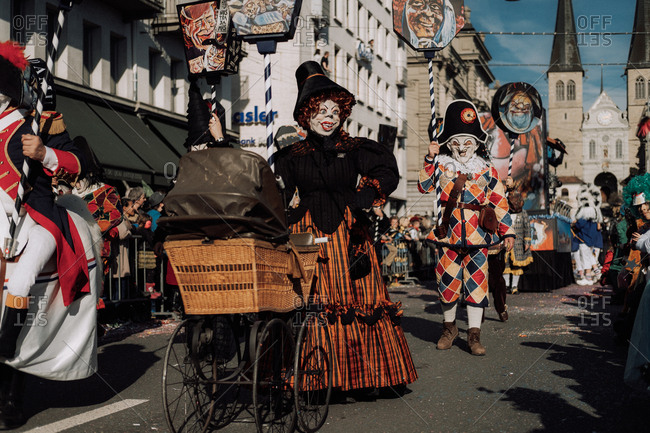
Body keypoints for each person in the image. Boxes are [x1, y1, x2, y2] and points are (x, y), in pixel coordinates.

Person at [274, 61, 417, 392]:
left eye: (334, 110)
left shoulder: (354, 149)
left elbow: (386, 171)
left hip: (349, 233)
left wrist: (364, 195)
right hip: (308, 234)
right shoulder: (292, 155)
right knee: (312, 303)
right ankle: (316, 377)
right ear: (306, 114)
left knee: (360, 301)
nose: (328, 116)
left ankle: (365, 378)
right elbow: (278, 191)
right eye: (320, 110)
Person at [0, 41, 96, 429]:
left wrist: (44, 154)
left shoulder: (38, 123)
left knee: (22, 277)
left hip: (35, 217)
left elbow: (77, 162)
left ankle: (7, 358)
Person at [418, 99, 514, 356]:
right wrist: (430, 157)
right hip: (447, 235)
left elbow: (499, 201)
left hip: (478, 236)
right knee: (447, 283)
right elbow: (424, 186)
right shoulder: (440, 165)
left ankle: (474, 335)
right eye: (457, 143)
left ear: (476, 143)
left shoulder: (486, 169)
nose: (462, 148)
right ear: (449, 143)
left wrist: (508, 231)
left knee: (477, 283)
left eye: (468, 142)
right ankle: (449, 329)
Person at [503, 186, 533, 296]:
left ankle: (514, 286)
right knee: (505, 264)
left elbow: (527, 228)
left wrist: (527, 242)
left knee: (516, 266)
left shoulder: (523, 213)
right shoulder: (505, 213)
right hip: (506, 242)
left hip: (519, 244)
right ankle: (506, 285)